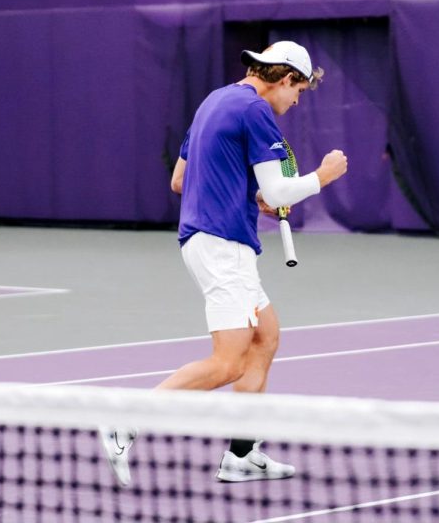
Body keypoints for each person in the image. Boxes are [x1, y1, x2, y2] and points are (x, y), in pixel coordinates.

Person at [100, 41, 349, 486]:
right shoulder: (255, 111)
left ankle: (241, 454)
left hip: (211, 240)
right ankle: (127, 420)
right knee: (229, 361)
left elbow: (181, 180)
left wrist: (252, 198)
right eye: (299, 91)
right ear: (286, 77)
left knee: (265, 336)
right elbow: (279, 192)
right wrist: (323, 175)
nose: (295, 102)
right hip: (222, 246)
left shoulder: (213, 101)